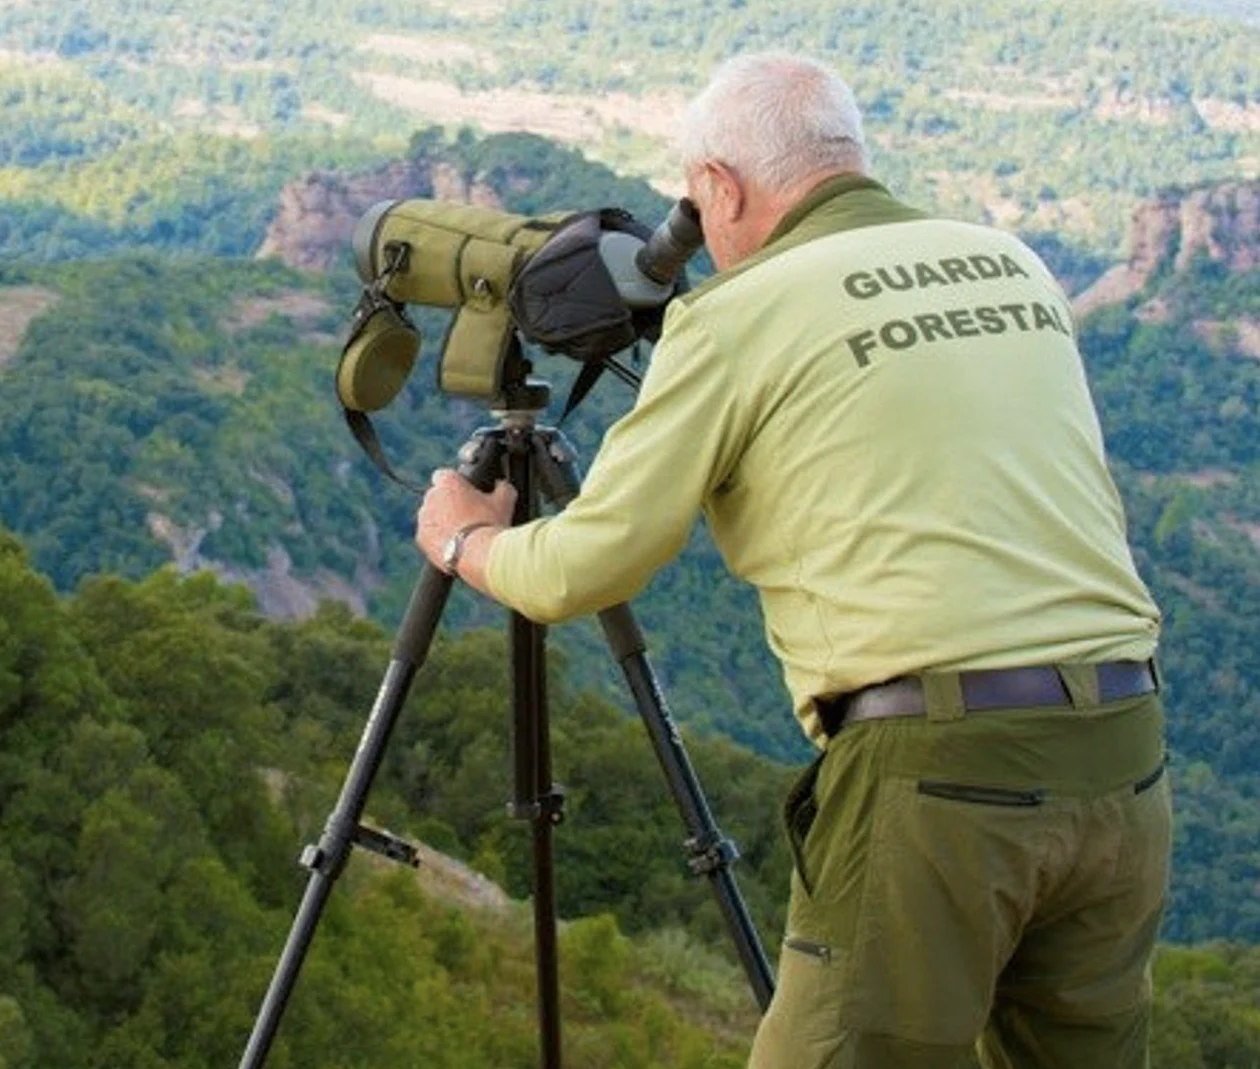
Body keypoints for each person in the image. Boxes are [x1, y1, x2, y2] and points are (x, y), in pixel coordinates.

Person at [416, 52, 1171, 1069]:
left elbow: (578, 570)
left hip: (943, 779)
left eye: (696, 205)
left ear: (719, 188)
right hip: (1125, 761)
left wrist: (466, 536)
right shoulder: (1013, 261)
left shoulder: (733, 317)